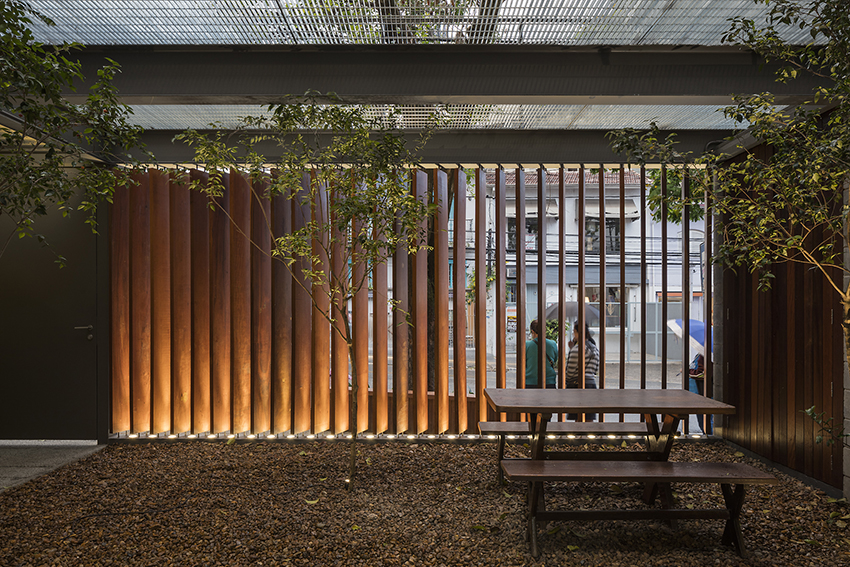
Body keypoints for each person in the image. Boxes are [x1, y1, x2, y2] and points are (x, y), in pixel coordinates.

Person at [565, 321, 599, 421]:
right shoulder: (594, 348)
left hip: (577, 386)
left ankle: (578, 436)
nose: (573, 334)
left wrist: (572, 350)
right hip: (591, 385)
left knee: (578, 418)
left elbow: (569, 373)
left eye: (574, 332)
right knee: (589, 418)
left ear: (578, 333)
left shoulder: (577, 349)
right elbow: (595, 369)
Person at [525, 319, 558, 389]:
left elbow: (523, 363)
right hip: (549, 382)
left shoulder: (526, 345)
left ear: (532, 331)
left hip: (530, 383)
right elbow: (554, 360)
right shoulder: (552, 344)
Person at [688, 353, 713, 434]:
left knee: (706, 420)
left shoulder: (703, 354)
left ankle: (710, 437)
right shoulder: (700, 354)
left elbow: (701, 373)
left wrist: (687, 371)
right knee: (704, 419)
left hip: (703, 393)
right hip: (700, 393)